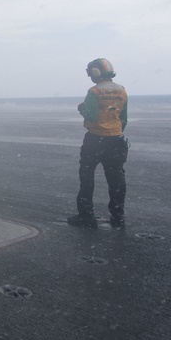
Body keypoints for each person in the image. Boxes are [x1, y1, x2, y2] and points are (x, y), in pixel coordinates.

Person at [68, 58, 129, 230]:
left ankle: (86, 216)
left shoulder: (94, 91)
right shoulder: (122, 90)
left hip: (95, 140)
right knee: (116, 180)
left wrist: (82, 108)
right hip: (116, 140)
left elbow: (92, 116)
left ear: (96, 72)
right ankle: (118, 217)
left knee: (87, 178)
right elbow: (124, 118)